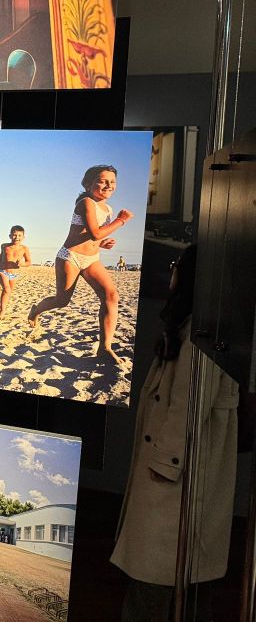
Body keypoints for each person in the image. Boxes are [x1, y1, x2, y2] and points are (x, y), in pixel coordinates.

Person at [110, 245, 238, 621]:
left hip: (174, 483)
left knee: (156, 583)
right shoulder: (196, 326)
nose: (171, 272)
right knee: (168, 584)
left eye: (176, 265)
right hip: (174, 477)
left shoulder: (203, 332)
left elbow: (188, 405)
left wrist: (166, 464)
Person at [28, 165, 134, 363]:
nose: (108, 185)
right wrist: (121, 220)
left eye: (112, 182)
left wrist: (101, 244)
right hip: (70, 257)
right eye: (102, 181)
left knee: (111, 296)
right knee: (62, 301)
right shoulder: (86, 203)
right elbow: (94, 232)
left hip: (92, 259)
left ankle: (105, 348)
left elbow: (89, 236)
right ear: (87, 184)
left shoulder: (108, 209)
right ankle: (36, 310)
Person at [0, 225, 32, 319]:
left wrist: (22, 264)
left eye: (19, 235)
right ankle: (2, 311)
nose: (17, 237)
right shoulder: (4, 246)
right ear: (10, 236)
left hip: (14, 274)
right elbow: (1, 257)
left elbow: (29, 262)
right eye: (14, 235)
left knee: (8, 292)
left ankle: (4, 307)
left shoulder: (24, 249)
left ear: (23, 237)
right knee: (7, 289)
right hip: (3, 271)